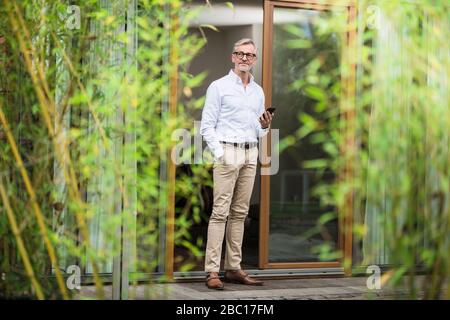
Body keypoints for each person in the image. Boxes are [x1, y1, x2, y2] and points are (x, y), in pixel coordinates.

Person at [200, 38, 274, 290]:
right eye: (240, 54)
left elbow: (258, 129)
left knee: (240, 214)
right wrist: (221, 153)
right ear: (232, 57)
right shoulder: (218, 87)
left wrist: (264, 125)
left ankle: (233, 268)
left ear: (254, 60)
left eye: (249, 55)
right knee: (220, 212)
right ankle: (212, 271)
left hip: (250, 153)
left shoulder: (257, 91)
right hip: (227, 152)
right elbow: (206, 127)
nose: (244, 58)